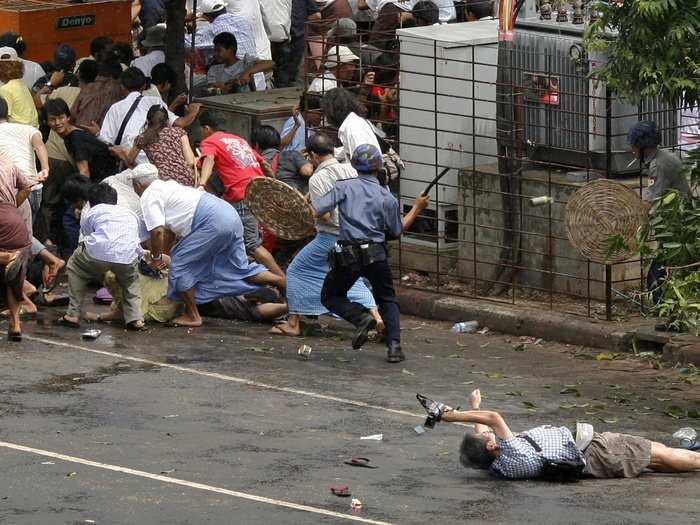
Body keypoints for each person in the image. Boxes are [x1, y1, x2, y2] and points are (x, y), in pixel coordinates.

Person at [314, 144, 430, 362]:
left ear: (354, 166)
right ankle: (394, 347)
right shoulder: (387, 198)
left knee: (330, 296)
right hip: (376, 254)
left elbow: (316, 209)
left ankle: (360, 318)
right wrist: (417, 207)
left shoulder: (343, 187)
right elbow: (396, 231)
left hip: (348, 255)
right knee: (387, 299)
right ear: (379, 167)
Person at [131, 163, 285, 328]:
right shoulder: (170, 186)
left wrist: (155, 259)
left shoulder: (148, 195)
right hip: (228, 214)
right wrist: (162, 256)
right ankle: (280, 280)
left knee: (180, 265)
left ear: (137, 185)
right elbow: (168, 234)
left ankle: (193, 315)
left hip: (211, 221)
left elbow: (157, 232)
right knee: (240, 267)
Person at [437, 388, 700, 479]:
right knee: (657, 455)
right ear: (492, 448)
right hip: (598, 451)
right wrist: (449, 416)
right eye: (489, 439)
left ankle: (690, 454)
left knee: (653, 453)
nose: (488, 434)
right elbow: (493, 419)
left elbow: (482, 429)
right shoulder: (512, 452)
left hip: (593, 454)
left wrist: (473, 406)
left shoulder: (497, 465)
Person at [271, 133, 381, 337]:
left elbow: (327, 214)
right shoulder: (351, 168)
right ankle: (378, 318)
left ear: (312, 155)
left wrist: (305, 213)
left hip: (331, 236)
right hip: (359, 234)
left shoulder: (318, 178)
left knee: (296, 270)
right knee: (350, 277)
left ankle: (293, 323)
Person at [197, 111, 285, 278]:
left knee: (252, 244)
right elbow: (264, 164)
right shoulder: (239, 140)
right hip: (258, 191)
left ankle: (283, 282)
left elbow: (208, 159)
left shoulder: (210, 141)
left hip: (242, 194)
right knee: (235, 237)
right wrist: (276, 186)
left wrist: (201, 184)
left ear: (206, 128)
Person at [54, 183, 146, 330]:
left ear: (91, 202)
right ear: (114, 200)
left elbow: (87, 235)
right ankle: (136, 319)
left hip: (95, 254)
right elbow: (138, 236)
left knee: (74, 267)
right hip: (127, 256)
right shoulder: (130, 213)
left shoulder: (91, 211)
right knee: (131, 283)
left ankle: (72, 314)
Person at [95, 255, 288, 325]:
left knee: (246, 311)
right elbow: (168, 259)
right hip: (194, 279)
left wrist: (98, 317)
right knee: (235, 291)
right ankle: (269, 293)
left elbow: (124, 314)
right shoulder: (137, 262)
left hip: (192, 299)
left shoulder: (127, 291)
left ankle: (287, 307)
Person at [95, 67, 201, 159]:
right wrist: (193, 111)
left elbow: (106, 141)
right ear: (144, 85)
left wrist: (96, 133)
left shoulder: (115, 108)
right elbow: (180, 123)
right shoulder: (155, 101)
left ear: (122, 86)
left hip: (128, 160)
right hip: (157, 159)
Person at [190, 0, 267, 91]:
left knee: (194, 83)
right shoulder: (243, 21)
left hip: (244, 91)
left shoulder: (211, 29)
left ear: (206, 17)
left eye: (218, 51)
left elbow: (188, 42)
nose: (215, 54)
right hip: (260, 83)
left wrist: (247, 73)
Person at [112, 105, 196, 186]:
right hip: (187, 179)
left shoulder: (143, 138)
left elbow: (129, 161)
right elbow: (190, 161)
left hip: (164, 183)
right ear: (167, 121)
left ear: (148, 121)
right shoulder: (179, 132)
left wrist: (121, 152)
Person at [45, 98, 119, 183]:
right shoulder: (74, 133)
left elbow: (84, 172)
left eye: (61, 118)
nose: (57, 123)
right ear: (47, 122)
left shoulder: (75, 138)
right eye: (52, 119)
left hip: (106, 182)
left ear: (68, 117)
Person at [0, 96, 49, 219]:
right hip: (34, 188)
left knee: (11, 234)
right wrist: (45, 168)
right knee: (26, 231)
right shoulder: (27, 129)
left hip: (12, 191)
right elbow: (39, 146)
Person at [322, 87, 381, 161]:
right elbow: (349, 149)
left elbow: (362, 160)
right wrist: (324, 153)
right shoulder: (353, 122)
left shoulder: (353, 127)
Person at [249, 124, 313, 193]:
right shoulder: (291, 154)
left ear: (256, 145)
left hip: (270, 202)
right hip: (298, 200)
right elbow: (307, 171)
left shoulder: (252, 165)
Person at [0, 204, 32, 340]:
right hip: (17, 222)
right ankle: (15, 324)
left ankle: (6, 257)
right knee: (10, 274)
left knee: (8, 264)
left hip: (5, 223)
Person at [206, 32, 274, 94]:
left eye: (219, 50)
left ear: (231, 49)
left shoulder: (245, 64)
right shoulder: (214, 70)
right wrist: (221, 89)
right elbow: (210, 90)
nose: (215, 54)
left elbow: (270, 63)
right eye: (215, 50)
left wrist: (247, 73)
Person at [0, 47, 39, 128]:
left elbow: (4, 118)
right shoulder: (23, 84)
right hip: (34, 131)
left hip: (18, 134)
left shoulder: (5, 89)